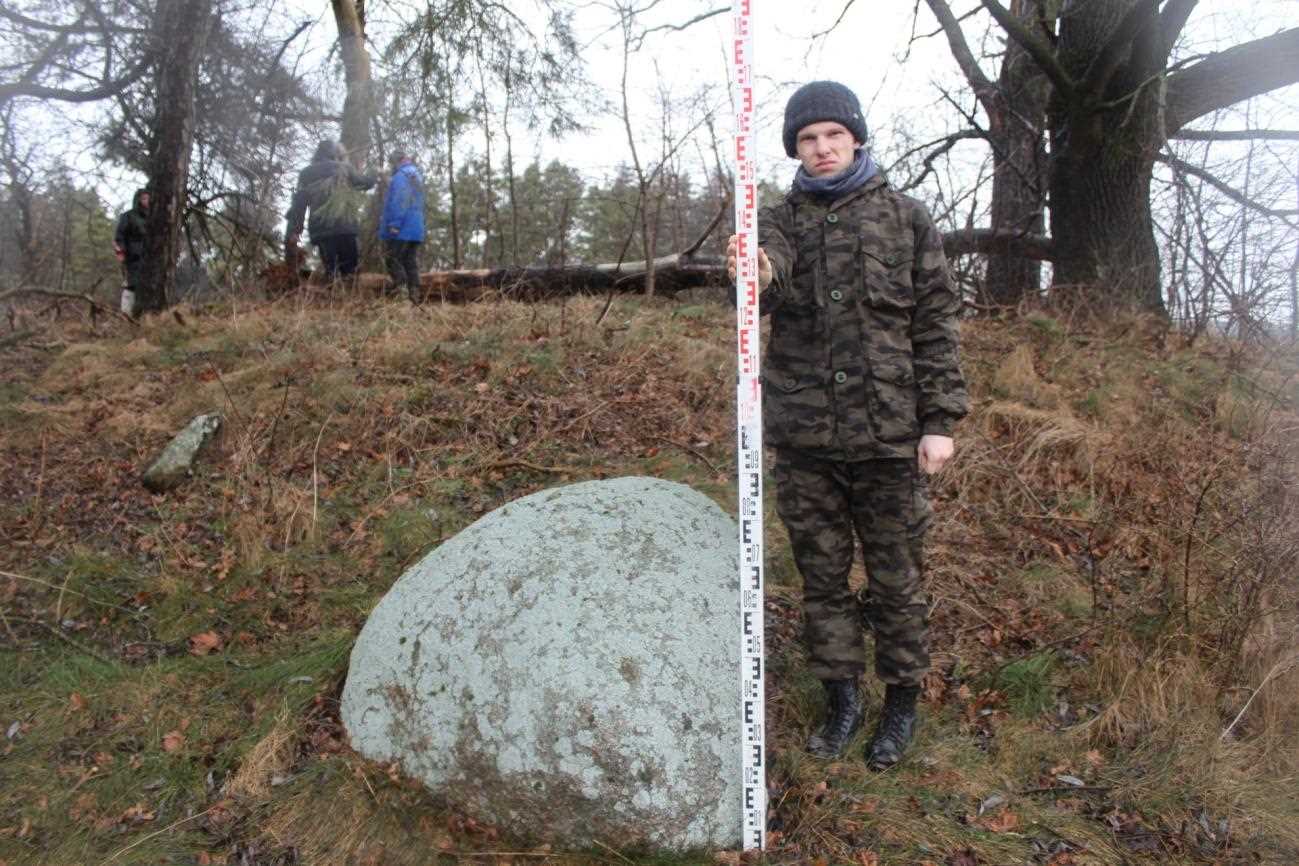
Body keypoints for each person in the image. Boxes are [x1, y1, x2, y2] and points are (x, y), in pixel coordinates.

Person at [726, 81, 968, 770]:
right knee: (823, 580)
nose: (821, 148)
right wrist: (754, 270)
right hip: (805, 441)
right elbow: (763, 284)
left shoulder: (905, 218)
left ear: (855, 138)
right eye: (807, 139)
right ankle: (841, 699)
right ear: (794, 149)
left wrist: (939, 419)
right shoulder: (775, 220)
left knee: (897, 582)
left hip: (892, 438)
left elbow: (934, 323)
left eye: (832, 134)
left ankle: (899, 705)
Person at [285, 140, 377, 281]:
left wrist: (295, 231)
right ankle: (350, 298)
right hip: (345, 226)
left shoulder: (306, 173)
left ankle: (332, 298)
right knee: (350, 271)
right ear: (335, 153)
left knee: (331, 270)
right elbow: (365, 183)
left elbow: (299, 205)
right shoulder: (344, 168)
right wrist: (374, 171)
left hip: (321, 229)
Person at [379, 152, 425, 301]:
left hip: (402, 228)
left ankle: (402, 292)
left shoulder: (401, 176)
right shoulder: (415, 175)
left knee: (392, 259)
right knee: (409, 260)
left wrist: (394, 224)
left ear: (396, 162)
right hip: (415, 228)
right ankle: (415, 294)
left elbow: (400, 199)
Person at [114, 188, 158, 316]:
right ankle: (126, 313)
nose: (146, 201)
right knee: (131, 284)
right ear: (138, 200)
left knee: (150, 285)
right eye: (144, 198)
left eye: (148, 198)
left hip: (150, 258)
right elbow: (119, 236)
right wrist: (121, 252)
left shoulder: (153, 217)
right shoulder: (128, 216)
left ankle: (146, 314)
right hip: (133, 257)